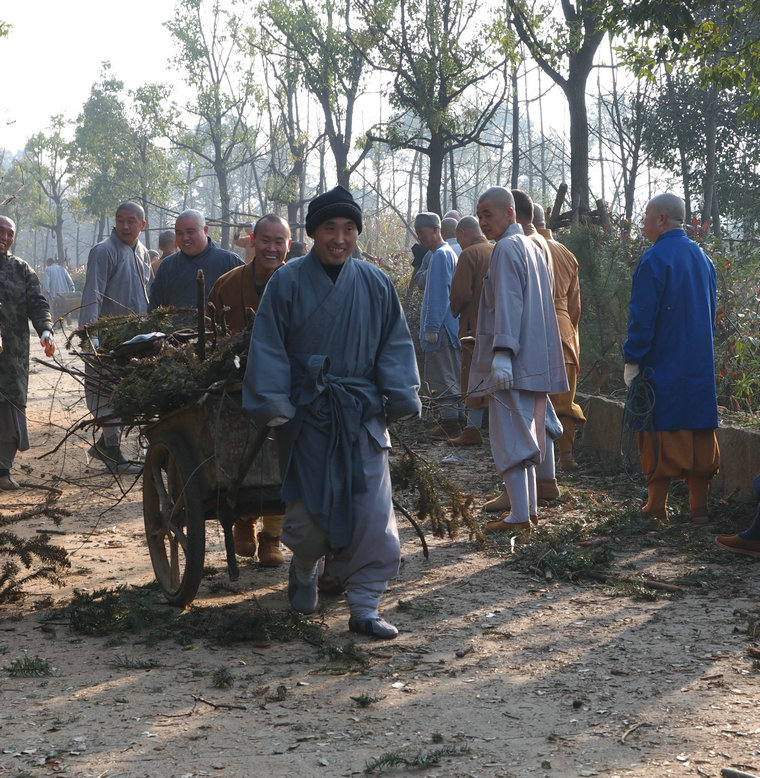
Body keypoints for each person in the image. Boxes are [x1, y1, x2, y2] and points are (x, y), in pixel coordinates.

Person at [243, 185, 421, 639]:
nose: (339, 238)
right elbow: (268, 345)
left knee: (373, 511)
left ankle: (364, 606)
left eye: (348, 229)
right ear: (313, 233)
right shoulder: (286, 283)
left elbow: (393, 343)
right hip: (307, 416)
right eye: (329, 228)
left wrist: (400, 393)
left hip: (361, 414)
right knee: (308, 518)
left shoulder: (375, 282)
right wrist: (275, 404)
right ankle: (305, 566)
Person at [470, 187, 567, 534]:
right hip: (536, 360)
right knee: (528, 436)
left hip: (515, 361)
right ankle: (527, 512)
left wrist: (502, 354)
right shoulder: (532, 245)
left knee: (510, 437)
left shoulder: (508, 248)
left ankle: (520, 517)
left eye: (488, 214)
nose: (483, 222)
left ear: (510, 214)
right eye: (479, 215)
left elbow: (508, 304)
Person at [623, 192, 719, 524]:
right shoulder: (704, 259)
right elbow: (712, 316)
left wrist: (632, 359)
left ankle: (656, 507)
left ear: (661, 219)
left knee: (657, 430)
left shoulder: (655, 258)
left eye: (646, 216)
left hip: (663, 363)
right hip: (699, 365)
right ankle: (698, 509)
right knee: (700, 432)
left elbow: (642, 317)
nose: (643, 223)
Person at [207, 213, 291, 566]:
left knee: (285, 460)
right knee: (241, 453)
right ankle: (244, 522)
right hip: (237, 386)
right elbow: (209, 338)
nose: (272, 248)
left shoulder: (298, 281)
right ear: (252, 240)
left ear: (289, 245)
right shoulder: (227, 284)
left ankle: (273, 536)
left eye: (279, 242)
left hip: (287, 387)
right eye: (265, 240)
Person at [80, 201, 152, 474]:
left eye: (131, 220)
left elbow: (149, 294)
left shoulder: (143, 252)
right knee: (106, 392)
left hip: (137, 338)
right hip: (108, 339)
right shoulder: (103, 251)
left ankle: (106, 445)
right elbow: (93, 294)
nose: (124, 225)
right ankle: (112, 451)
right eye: (120, 219)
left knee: (127, 393)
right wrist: (91, 339)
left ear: (142, 225)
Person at [0, 216, 56, 490]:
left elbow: (38, 302)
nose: (5, 237)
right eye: (1, 231)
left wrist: (45, 329)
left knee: (10, 407)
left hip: (12, 356)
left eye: (10, 233)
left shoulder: (21, 269)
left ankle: (2, 469)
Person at [534, 203, 586, 472]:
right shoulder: (567, 254)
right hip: (565, 331)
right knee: (564, 399)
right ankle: (566, 456)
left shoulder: (527, 247)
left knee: (534, 398)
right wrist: (571, 334)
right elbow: (575, 306)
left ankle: (541, 461)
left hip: (535, 329)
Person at [414, 212, 462, 439]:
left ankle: (450, 423)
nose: (419, 238)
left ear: (435, 230)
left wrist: (431, 328)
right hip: (447, 326)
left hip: (441, 329)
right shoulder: (441, 254)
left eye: (421, 232)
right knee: (450, 374)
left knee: (443, 376)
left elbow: (438, 295)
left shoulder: (441, 255)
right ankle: (457, 420)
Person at [447, 216, 492, 446]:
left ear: (463, 233)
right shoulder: (494, 250)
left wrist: (454, 309)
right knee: (493, 376)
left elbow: (461, 293)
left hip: (472, 327)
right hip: (496, 326)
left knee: (472, 375)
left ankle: (472, 430)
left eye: (458, 237)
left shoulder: (469, 254)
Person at [149, 210, 243, 310]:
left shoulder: (229, 262)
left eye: (190, 232)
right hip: (176, 325)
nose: (185, 238)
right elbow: (155, 308)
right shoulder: (167, 266)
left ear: (206, 230)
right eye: (179, 233)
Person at [42, 257, 75, 325]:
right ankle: (68, 316)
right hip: (64, 293)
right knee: (64, 307)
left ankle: (57, 323)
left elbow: (46, 282)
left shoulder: (48, 269)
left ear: (48, 262)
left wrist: (46, 291)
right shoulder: (62, 269)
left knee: (54, 309)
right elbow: (69, 280)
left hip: (54, 293)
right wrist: (72, 287)